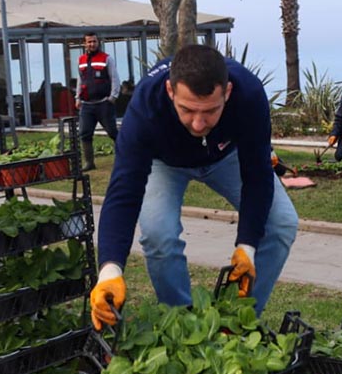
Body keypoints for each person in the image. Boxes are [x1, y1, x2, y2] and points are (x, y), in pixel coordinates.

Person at [89, 45, 299, 328]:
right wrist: (110, 271)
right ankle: (184, 327)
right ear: (170, 91)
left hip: (227, 156)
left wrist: (247, 246)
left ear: (227, 93)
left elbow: (258, 175)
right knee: (158, 235)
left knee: (282, 223)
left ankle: (237, 325)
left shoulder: (248, 93)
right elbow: (124, 190)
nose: (199, 124)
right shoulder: (145, 106)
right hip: (165, 163)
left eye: (211, 111)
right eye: (187, 110)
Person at [76, 32, 120, 169]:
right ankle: (89, 163)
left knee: (113, 132)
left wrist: (113, 97)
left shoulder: (107, 59)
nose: (92, 44)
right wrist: (77, 97)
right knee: (84, 133)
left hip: (104, 104)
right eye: (89, 42)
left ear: (98, 42)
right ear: (85, 44)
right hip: (86, 105)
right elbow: (80, 80)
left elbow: (115, 78)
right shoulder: (81, 60)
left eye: (94, 41)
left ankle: (125, 158)